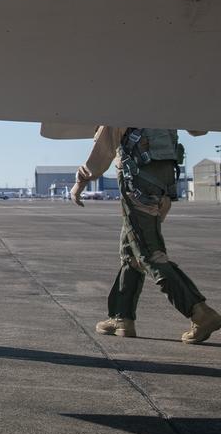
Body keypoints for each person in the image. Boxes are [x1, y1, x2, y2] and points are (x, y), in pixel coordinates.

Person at [71, 126, 221, 344]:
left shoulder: (129, 98)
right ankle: (121, 317)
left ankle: (199, 312)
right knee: (130, 251)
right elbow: (198, 128)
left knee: (149, 254)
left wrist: (80, 181)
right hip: (163, 184)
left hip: (138, 183)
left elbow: (104, 148)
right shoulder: (168, 99)